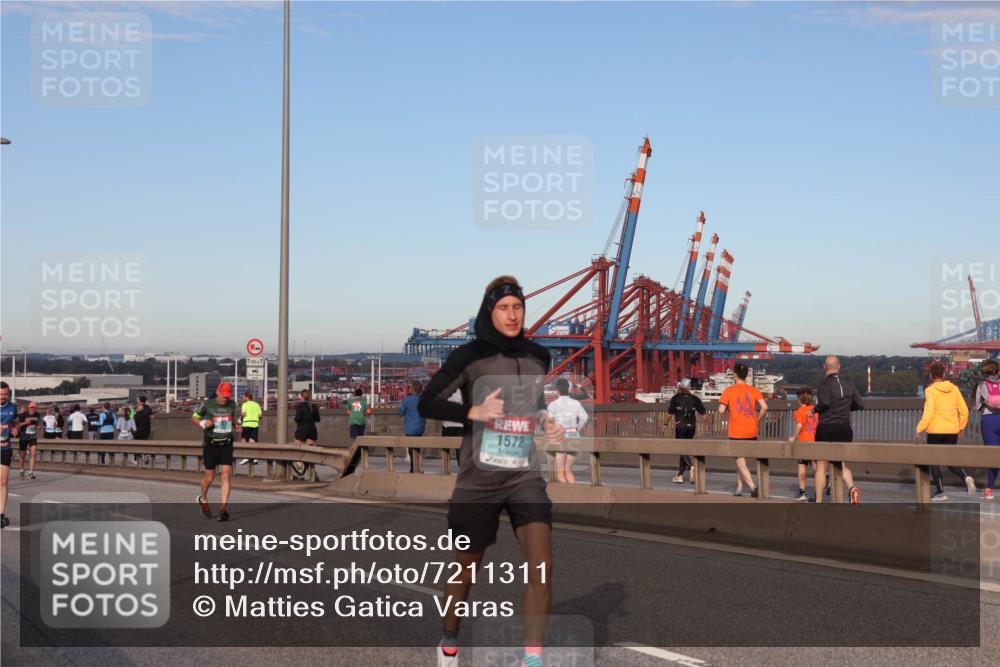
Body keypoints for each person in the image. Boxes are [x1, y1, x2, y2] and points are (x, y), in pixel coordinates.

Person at [418, 275, 564, 667]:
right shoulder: (469, 357)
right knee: (467, 569)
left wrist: (546, 422)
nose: (512, 314)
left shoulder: (538, 356)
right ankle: (449, 639)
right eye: (503, 308)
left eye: (517, 307)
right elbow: (427, 404)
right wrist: (473, 412)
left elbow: (530, 405)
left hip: (524, 475)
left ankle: (532, 660)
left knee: (542, 566)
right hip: (479, 479)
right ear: (490, 311)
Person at [915, 363, 974, 502]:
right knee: (950, 460)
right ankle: (965, 478)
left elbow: (929, 412)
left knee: (934, 462)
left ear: (931, 375)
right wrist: (961, 427)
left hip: (935, 430)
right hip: (952, 431)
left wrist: (920, 428)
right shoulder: (954, 389)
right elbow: (964, 410)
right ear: (944, 374)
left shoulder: (930, 390)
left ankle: (941, 492)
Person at [813, 356, 863, 505]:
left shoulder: (823, 385)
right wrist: (847, 408)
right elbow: (860, 404)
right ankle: (852, 488)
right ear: (839, 366)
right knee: (841, 463)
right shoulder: (848, 383)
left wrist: (814, 410)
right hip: (844, 427)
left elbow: (826, 402)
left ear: (824, 367)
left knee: (821, 464)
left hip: (827, 427)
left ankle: (819, 501)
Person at [192, 381, 239, 521]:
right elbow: (194, 417)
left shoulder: (232, 404)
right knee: (210, 477)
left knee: (226, 475)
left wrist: (237, 426)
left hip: (226, 443)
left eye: (228, 396)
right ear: (218, 392)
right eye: (224, 395)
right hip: (211, 445)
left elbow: (231, 419)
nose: (225, 398)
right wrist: (203, 423)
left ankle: (223, 508)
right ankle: (203, 498)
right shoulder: (207, 404)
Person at [718, 363, 766, 498]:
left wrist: (726, 408)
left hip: (737, 431)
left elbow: (721, 410)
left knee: (740, 461)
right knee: (741, 461)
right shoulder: (753, 390)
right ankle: (739, 488)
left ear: (735, 375)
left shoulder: (729, 391)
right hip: (752, 430)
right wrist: (757, 419)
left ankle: (753, 487)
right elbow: (765, 407)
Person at [547, 378, 589, 485]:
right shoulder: (576, 403)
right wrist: (576, 429)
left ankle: (566, 498)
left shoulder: (553, 405)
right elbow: (584, 418)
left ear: (557, 390)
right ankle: (575, 496)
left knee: (560, 471)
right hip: (573, 434)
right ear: (569, 389)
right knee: (568, 470)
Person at [664, 378, 706, 484]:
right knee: (684, 450)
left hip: (680, 427)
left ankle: (691, 467)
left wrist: (665, 424)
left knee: (681, 450)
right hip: (691, 428)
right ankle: (680, 475)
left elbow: (669, 415)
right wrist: (706, 425)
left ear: (681, 387)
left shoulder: (675, 399)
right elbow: (704, 415)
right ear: (689, 387)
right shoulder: (695, 399)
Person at [974, 359, 1000, 500]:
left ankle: (989, 489)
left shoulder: (981, 384)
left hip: (988, 421)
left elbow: (976, 406)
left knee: (993, 456)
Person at [788, 388, 819, 501]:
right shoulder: (816, 410)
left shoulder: (799, 412)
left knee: (802, 467)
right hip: (815, 442)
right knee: (817, 469)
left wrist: (793, 437)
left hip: (804, 443)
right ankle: (818, 493)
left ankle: (802, 492)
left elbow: (799, 426)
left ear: (800, 400)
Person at [1, 382, 20, 528]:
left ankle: (1, 515)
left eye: (5, 394)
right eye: (0, 394)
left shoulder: (12, 407)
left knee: (3, 481)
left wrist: (14, 430)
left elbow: (15, 423)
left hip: (4, 448)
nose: (3, 397)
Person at [399, 380, 427, 473]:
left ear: (412, 389)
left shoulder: (407, 399)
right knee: (417, 448)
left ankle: (413, 468)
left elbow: (401, 412)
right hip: (420, 427)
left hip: (410, 428)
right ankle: (417, 468)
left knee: (411, 449)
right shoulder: (423, 399)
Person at [292, 389, 320, 479]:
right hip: (312, 431)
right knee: (311, 454)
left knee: (297, 452)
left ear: (302, 396)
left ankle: (300, 470)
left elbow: (298, 418)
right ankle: (313, 474)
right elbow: (318, 419)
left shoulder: (300, 406)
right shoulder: (314, 406)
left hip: (302, 431)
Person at [17, 401, 41, 480]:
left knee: (33, 453)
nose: (33, 409)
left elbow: (36, 423)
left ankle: (31, 472)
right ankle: (21, 470)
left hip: (32, 436)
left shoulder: (37, 414)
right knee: (22, 455)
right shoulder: (22, 415)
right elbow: (17, 425)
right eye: (31, 407)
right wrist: (25, 423)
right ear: (29, 407)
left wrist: (38, 426)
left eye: (34, 407)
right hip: (23, 436)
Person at [440, 389, 465, 465]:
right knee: (459, 449)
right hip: (459, 424)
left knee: (445, 448)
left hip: (448, 424)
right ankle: (460, 467)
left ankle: (446, 468)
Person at [237, 390, 262, 466]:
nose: (243, 398)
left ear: (247, 397)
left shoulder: (245, 404)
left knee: (244, 440)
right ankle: (254, 458)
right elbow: (260, 415)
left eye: (244, 396)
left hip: (247, 424)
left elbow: (243, 414)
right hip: (255, 424)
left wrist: (240, 417)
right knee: (252, 441)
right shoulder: (256, 404)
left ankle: (246, 457)